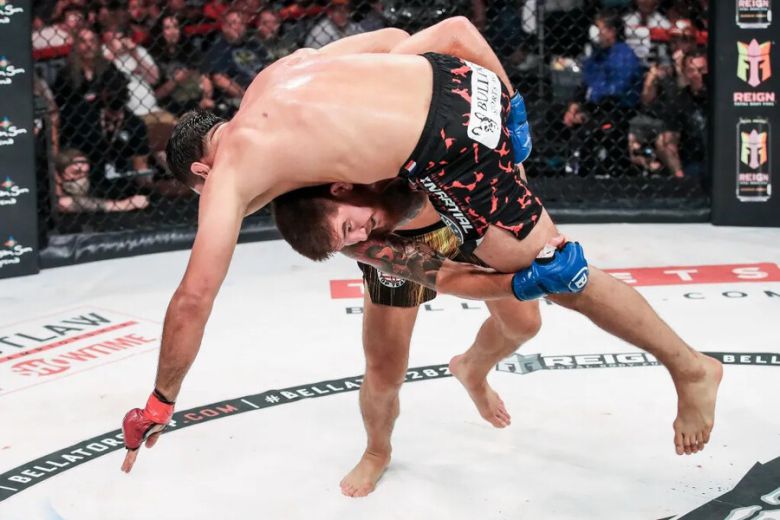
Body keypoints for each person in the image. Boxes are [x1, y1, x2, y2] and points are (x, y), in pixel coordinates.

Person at [119, 18, 721, 476]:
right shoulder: (279, 79)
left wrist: (160, 402)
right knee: (396, 358)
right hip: (457, 100)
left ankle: (691, 368)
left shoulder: (235, 169)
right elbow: (405, 39)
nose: (217, 204)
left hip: (449, 154)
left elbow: (194, 298)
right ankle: (385, 443)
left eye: (204, 193)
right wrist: (502, 103)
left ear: (202, 173)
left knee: (558, 278)